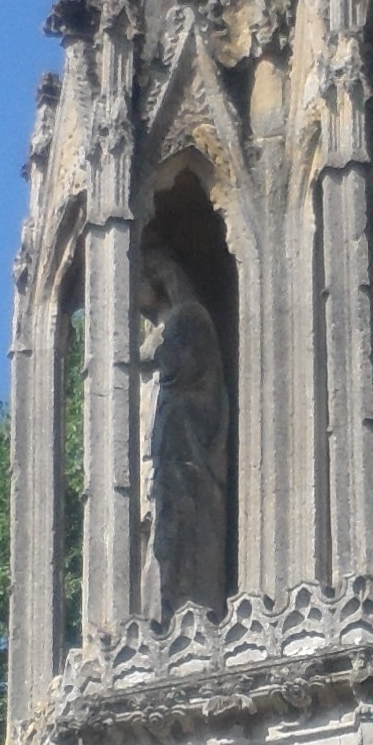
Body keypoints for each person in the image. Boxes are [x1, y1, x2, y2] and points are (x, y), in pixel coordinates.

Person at [140, 249, 232, 614]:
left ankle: (181, 606)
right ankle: (156, 609)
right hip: (160, 443)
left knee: (179, 532)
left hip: (182, 446)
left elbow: (187, 368)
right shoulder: (161, 326)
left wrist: (147, 355)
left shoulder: (187, 317)